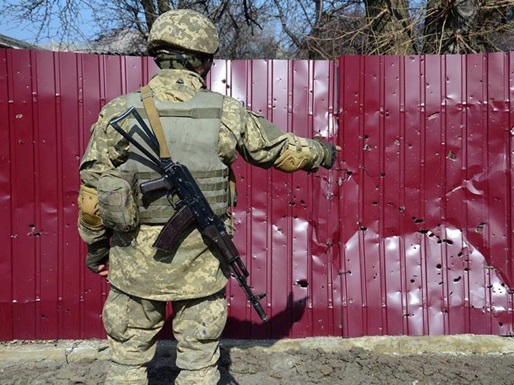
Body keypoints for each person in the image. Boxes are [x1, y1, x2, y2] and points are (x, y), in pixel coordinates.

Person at [77, 9, 340, 385]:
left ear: (159, 53)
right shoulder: (226, 112)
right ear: (204, 59)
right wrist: (322, 153)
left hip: (134, 264)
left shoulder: (120, 111)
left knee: (126, 366)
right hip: (202, 262)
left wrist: (96, 251)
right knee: (199, 367)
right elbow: (278, 150)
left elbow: (91, 196)